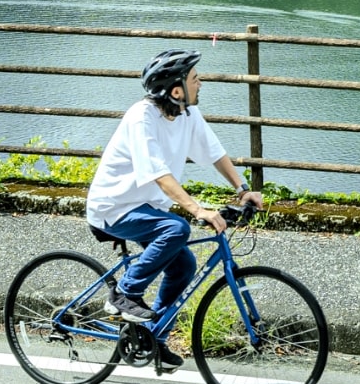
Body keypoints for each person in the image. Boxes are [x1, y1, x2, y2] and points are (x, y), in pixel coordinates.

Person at [86, 48, 265, 324]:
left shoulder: (187, 115)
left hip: (147, 208)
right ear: (177, 90)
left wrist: (242, 189)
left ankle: (155, 335)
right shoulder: (141, 117)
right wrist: (198, 210)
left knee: (184, 266)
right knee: (176, 228)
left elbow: (215, 152)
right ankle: (124, 293)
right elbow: (158, 174)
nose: (200, 83)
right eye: (195, 79)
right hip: (114, 207)